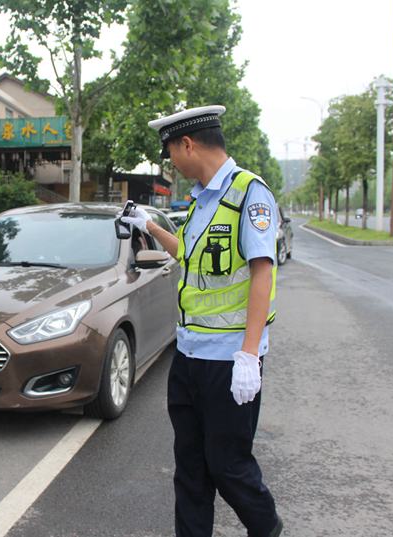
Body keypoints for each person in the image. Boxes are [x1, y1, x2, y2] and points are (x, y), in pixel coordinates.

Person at [120, 105, 283, 537]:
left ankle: (268, 529)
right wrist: (150, 228)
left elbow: (262, 270)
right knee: (190, 469)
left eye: (171, 152)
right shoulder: (199, 202)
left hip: (230, 361)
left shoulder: (250, 194)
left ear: (187, 144)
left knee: (228, 466)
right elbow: (190, 257)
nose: (171, 163)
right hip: (189, 357)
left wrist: (250, 354)